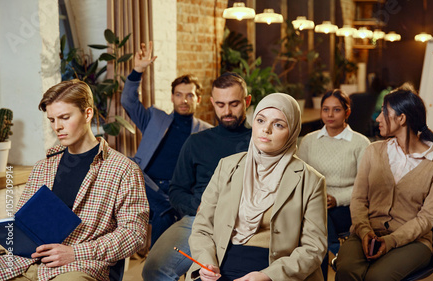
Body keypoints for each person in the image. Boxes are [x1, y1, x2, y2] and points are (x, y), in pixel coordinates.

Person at [0, 79, 149, 281]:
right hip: (24, 263)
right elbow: (24, 223)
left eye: (65, 117)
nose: (57, 127)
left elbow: (134, 234)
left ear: (87, 114)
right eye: (52, 120)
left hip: (77, 267)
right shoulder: (43, 166)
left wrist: (76, 252)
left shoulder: (124, 170)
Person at [185, 93, 327, 281]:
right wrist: (206, 262)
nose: (266, 129)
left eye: (278, 124)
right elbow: (203, 227)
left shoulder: (311, 180)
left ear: (292, 131)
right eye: (260, 120)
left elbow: (313, 248)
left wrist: (268, 276)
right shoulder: (227, 166)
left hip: (274, 268)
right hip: (220, 262)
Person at [335, 85, 433, 281]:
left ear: (402, 118)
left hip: (413, 241)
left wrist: (390, 241)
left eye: (383, 112)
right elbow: (358, 199)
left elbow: (426, 218)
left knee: (377, 277)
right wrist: (364, 232)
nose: (378, 118)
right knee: (347, 270)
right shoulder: (373, 151)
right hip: (366, 233)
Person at [142, 72, 252, 281]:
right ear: (211, 103)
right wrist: (197, 206)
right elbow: (176, 191)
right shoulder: (196, 142)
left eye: (234, 104)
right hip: (199, 219)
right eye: (220, 104)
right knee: (154, 269)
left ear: (247, 101)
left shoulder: (259, 141)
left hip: (245, 223)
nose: (227, 111)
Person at [121, 42, 212, 246]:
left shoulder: (206, 132)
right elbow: (128, 101)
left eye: (190, 95)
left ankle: (157, 270)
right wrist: (138, 70)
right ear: (172, 97)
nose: (184, 100)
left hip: (175, 190)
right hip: (145, 183)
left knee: (164, 215)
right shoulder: (154, 118)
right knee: (128, 165)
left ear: (198, 98)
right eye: (179, 94)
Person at [297, 89, 370, 256]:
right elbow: (299, 177)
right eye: (325, 109)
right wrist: (316, 197)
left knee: (314, 220)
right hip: (313, 201)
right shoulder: (309, 141)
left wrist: (337, 199)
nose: (330, 114)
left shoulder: (360, 143)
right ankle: (335, 251)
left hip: (346, 205)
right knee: (313, 210)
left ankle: (331, 252)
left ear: (347, 112)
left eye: (336, 109)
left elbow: (365, 186)